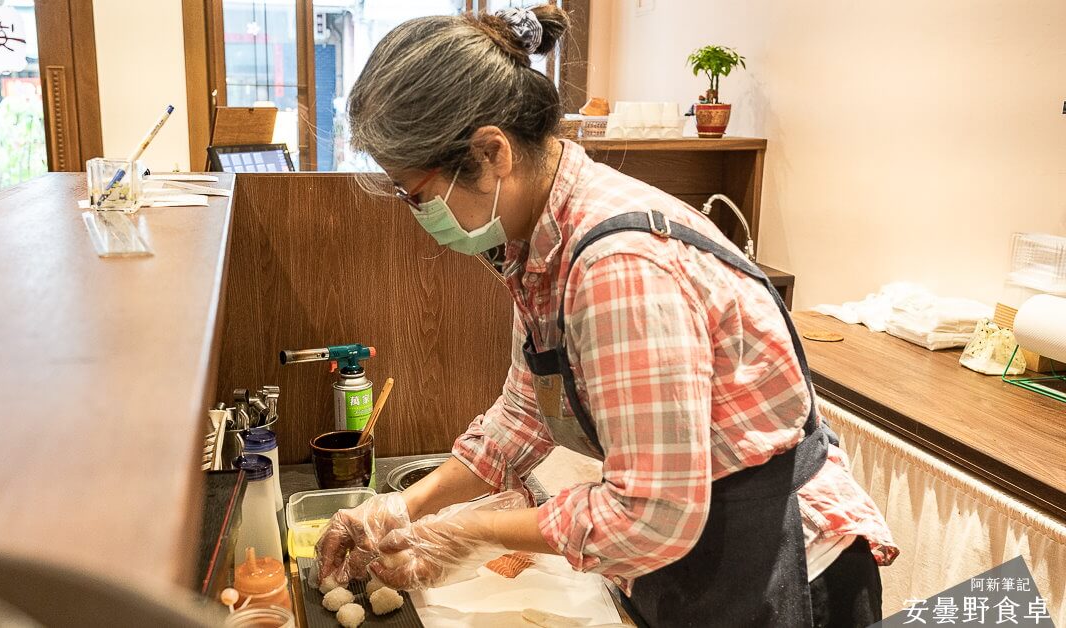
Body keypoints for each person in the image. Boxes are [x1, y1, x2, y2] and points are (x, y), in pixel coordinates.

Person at [314, 5, 898, 626]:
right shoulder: (536, 242)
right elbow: (524, 415)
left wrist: (474, 534)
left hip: (777, 560)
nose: (419, 218)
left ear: (491, 153)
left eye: (418, 195)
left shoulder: (618, 266)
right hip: (691, 549)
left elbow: (650, 514)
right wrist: (407, 506)